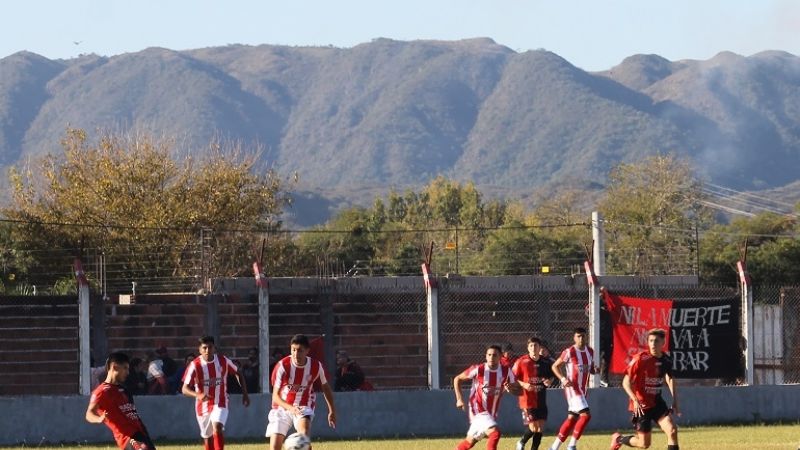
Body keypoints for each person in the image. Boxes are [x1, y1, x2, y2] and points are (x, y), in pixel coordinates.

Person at [610, 328, 679, 450]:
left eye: (656, 341)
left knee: (672, 431)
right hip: (642, 406)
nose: (653, 344)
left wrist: (675, 401)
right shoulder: (640, 359)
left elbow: (670, 378)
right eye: (651, 341)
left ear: (663, 342)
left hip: (658, 403)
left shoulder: (666, 360)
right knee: (644, 444)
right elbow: (626, 382)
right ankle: (618, 439)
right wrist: (635, 399)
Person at [266, 334, 337, 450]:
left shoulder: (316, 366)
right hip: (281, 406)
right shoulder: (282, 366)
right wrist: (290, 408)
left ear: (307, 351)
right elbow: (275, 396)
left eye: (299, 350)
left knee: (304, 436)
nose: (295, 354)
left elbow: (326, 388)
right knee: (274, 447)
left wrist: (332, 411)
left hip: (304, 404)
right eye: (293, 350)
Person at [182, 336, 250, 450]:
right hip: (202, 406)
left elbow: (238, 372)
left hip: (220, 401)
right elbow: (184, 389)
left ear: (214, 348)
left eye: (210, 347)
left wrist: (245, 393)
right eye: (204, 348)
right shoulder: (195, 365)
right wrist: (198, 395)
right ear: (199, 350)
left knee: (217, 426)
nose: (207, 350)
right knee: (208, 439)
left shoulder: (223, 361)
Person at [453, 344, 521, 450]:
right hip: (477, 409)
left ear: (500, 357)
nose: (491, 358)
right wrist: (459, 399)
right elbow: (457, 379)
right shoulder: (478, 369)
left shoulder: (506, 371)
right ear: (485, 356)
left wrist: (511, 389)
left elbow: (519, 392)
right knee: (495, 433)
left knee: (469, 442)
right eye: (489, 355)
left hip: (491, 413)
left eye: (494, 355)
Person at [85, 352, 156, 450]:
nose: (128, 372)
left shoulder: (124, 390)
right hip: (127, 437)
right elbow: (89, 414)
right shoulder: (101, 391)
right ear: (114, 367)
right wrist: (99, 419)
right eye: (125, 368)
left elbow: (133, 415)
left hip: (140, 433)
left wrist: (144, 433)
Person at [549, 327, 597, 450]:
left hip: (582, 390)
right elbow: (555, 366)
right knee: (586, 415)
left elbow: (590, 368)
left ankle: (554, 447)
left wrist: (595, 370)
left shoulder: (590, 352)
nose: (581, 338)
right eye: (578, 336)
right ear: (574, 338)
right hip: (572, 389)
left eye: (583, 336)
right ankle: (572, 445)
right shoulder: (569, 351)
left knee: (572, 419)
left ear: (586, 337)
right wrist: (563, 379)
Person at [512, 337, 555, 450]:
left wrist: (549, 380)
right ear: (527, 347)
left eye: (536, 345)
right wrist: (524, 384)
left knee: (540, 428)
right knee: (533, 427)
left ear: (539, 347)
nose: (533, 348)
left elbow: (553, 374)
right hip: (527, 400)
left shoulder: (546, 362)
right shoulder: (521, 361)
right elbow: (512, 378)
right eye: (531, 346)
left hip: (541, 398)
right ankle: (521, 442)